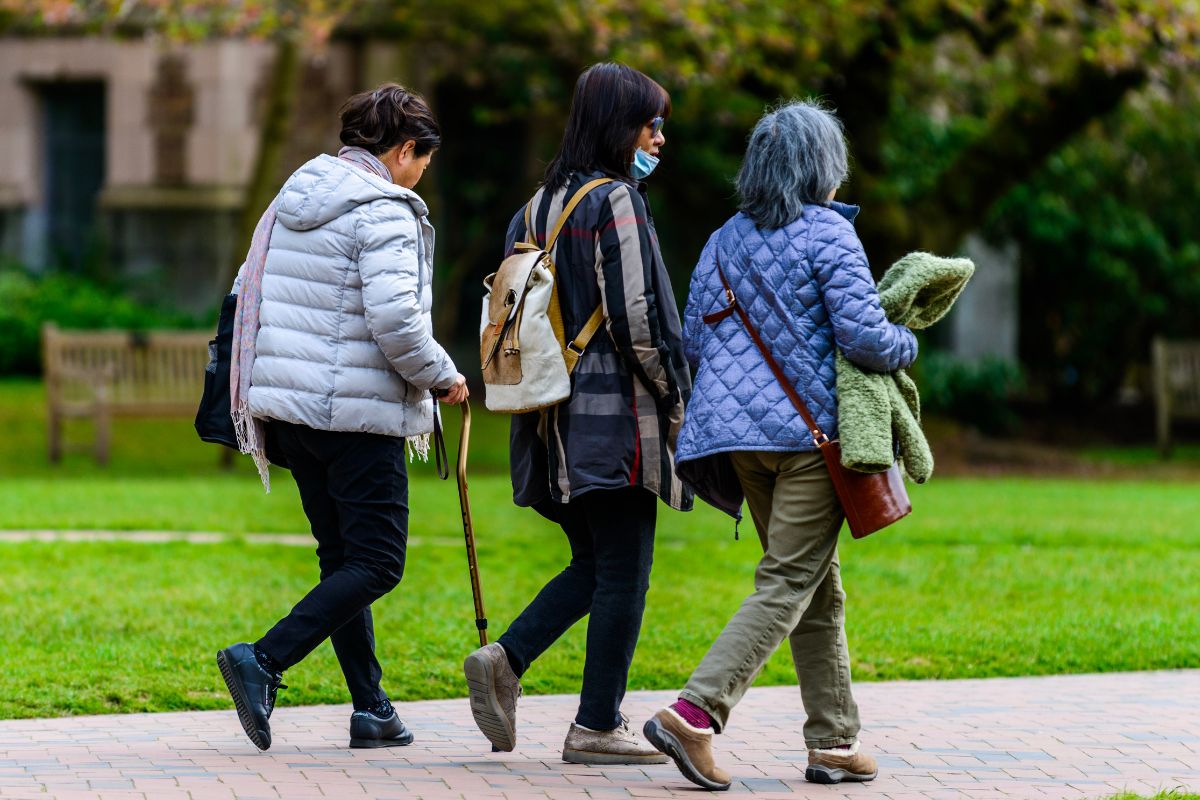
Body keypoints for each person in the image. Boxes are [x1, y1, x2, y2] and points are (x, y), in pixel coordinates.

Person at [642, 100, 918, 789]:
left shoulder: (722, 240)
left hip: (737, 441)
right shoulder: (830, 234)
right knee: (791, 579)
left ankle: (834, 741)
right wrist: (908, 341)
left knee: (814, 586)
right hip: (809, 441)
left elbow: (699, 343)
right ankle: (695, 712)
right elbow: (864, 338)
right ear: (823, 166)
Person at [216, 84, 468, 752]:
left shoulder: (294, 197)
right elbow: (396, 319)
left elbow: (250, 290)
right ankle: (262, 659)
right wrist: (444, 376)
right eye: (421, 161)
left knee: (343, 562)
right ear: (406, 149)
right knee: (380, 563)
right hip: (355, 417)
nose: (419, 175)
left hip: (292, 413)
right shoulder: (383, 209)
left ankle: (372, 709)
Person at [462, 62, 691, 765]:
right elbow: (638, 320)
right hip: (613, 418)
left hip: (546, 418)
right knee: (625, 570)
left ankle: (506, 660)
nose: (658, 137)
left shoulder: (531, 209)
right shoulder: (616, 201)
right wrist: (679, 398)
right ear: (619, 127)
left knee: (593, 561)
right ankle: (595, 725)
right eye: (650, 124)